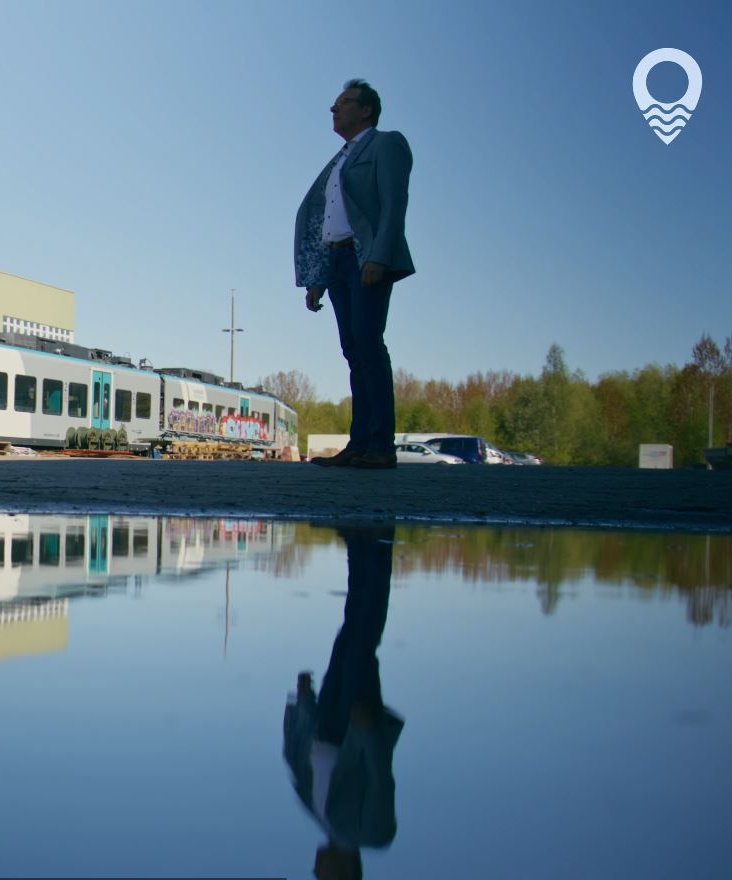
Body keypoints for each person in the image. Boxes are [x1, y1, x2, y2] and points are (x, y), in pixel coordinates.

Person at [294, 79, 415, 469]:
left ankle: (380, 445)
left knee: (368, 346)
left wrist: (378, 256)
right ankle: (359, 444)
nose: (334, 109)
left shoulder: (387, 144)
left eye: (343, 103)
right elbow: (326, 219)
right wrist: (317, 277)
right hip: (337, 263)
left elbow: (394, 205)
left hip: (365, 259)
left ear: (365, 110)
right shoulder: (341, 158)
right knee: (352, 352)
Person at [283, 525, 404, 880]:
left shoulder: (318, 815)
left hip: (325, 720)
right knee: (362, 640)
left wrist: (304, 702)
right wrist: (366, 733)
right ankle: (377, 544)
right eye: (322, 877)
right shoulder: (375, 834)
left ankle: (360, 545)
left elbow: (299, 758)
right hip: (354, 725)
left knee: (351, 632)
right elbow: (381, 781)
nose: (316, 870)